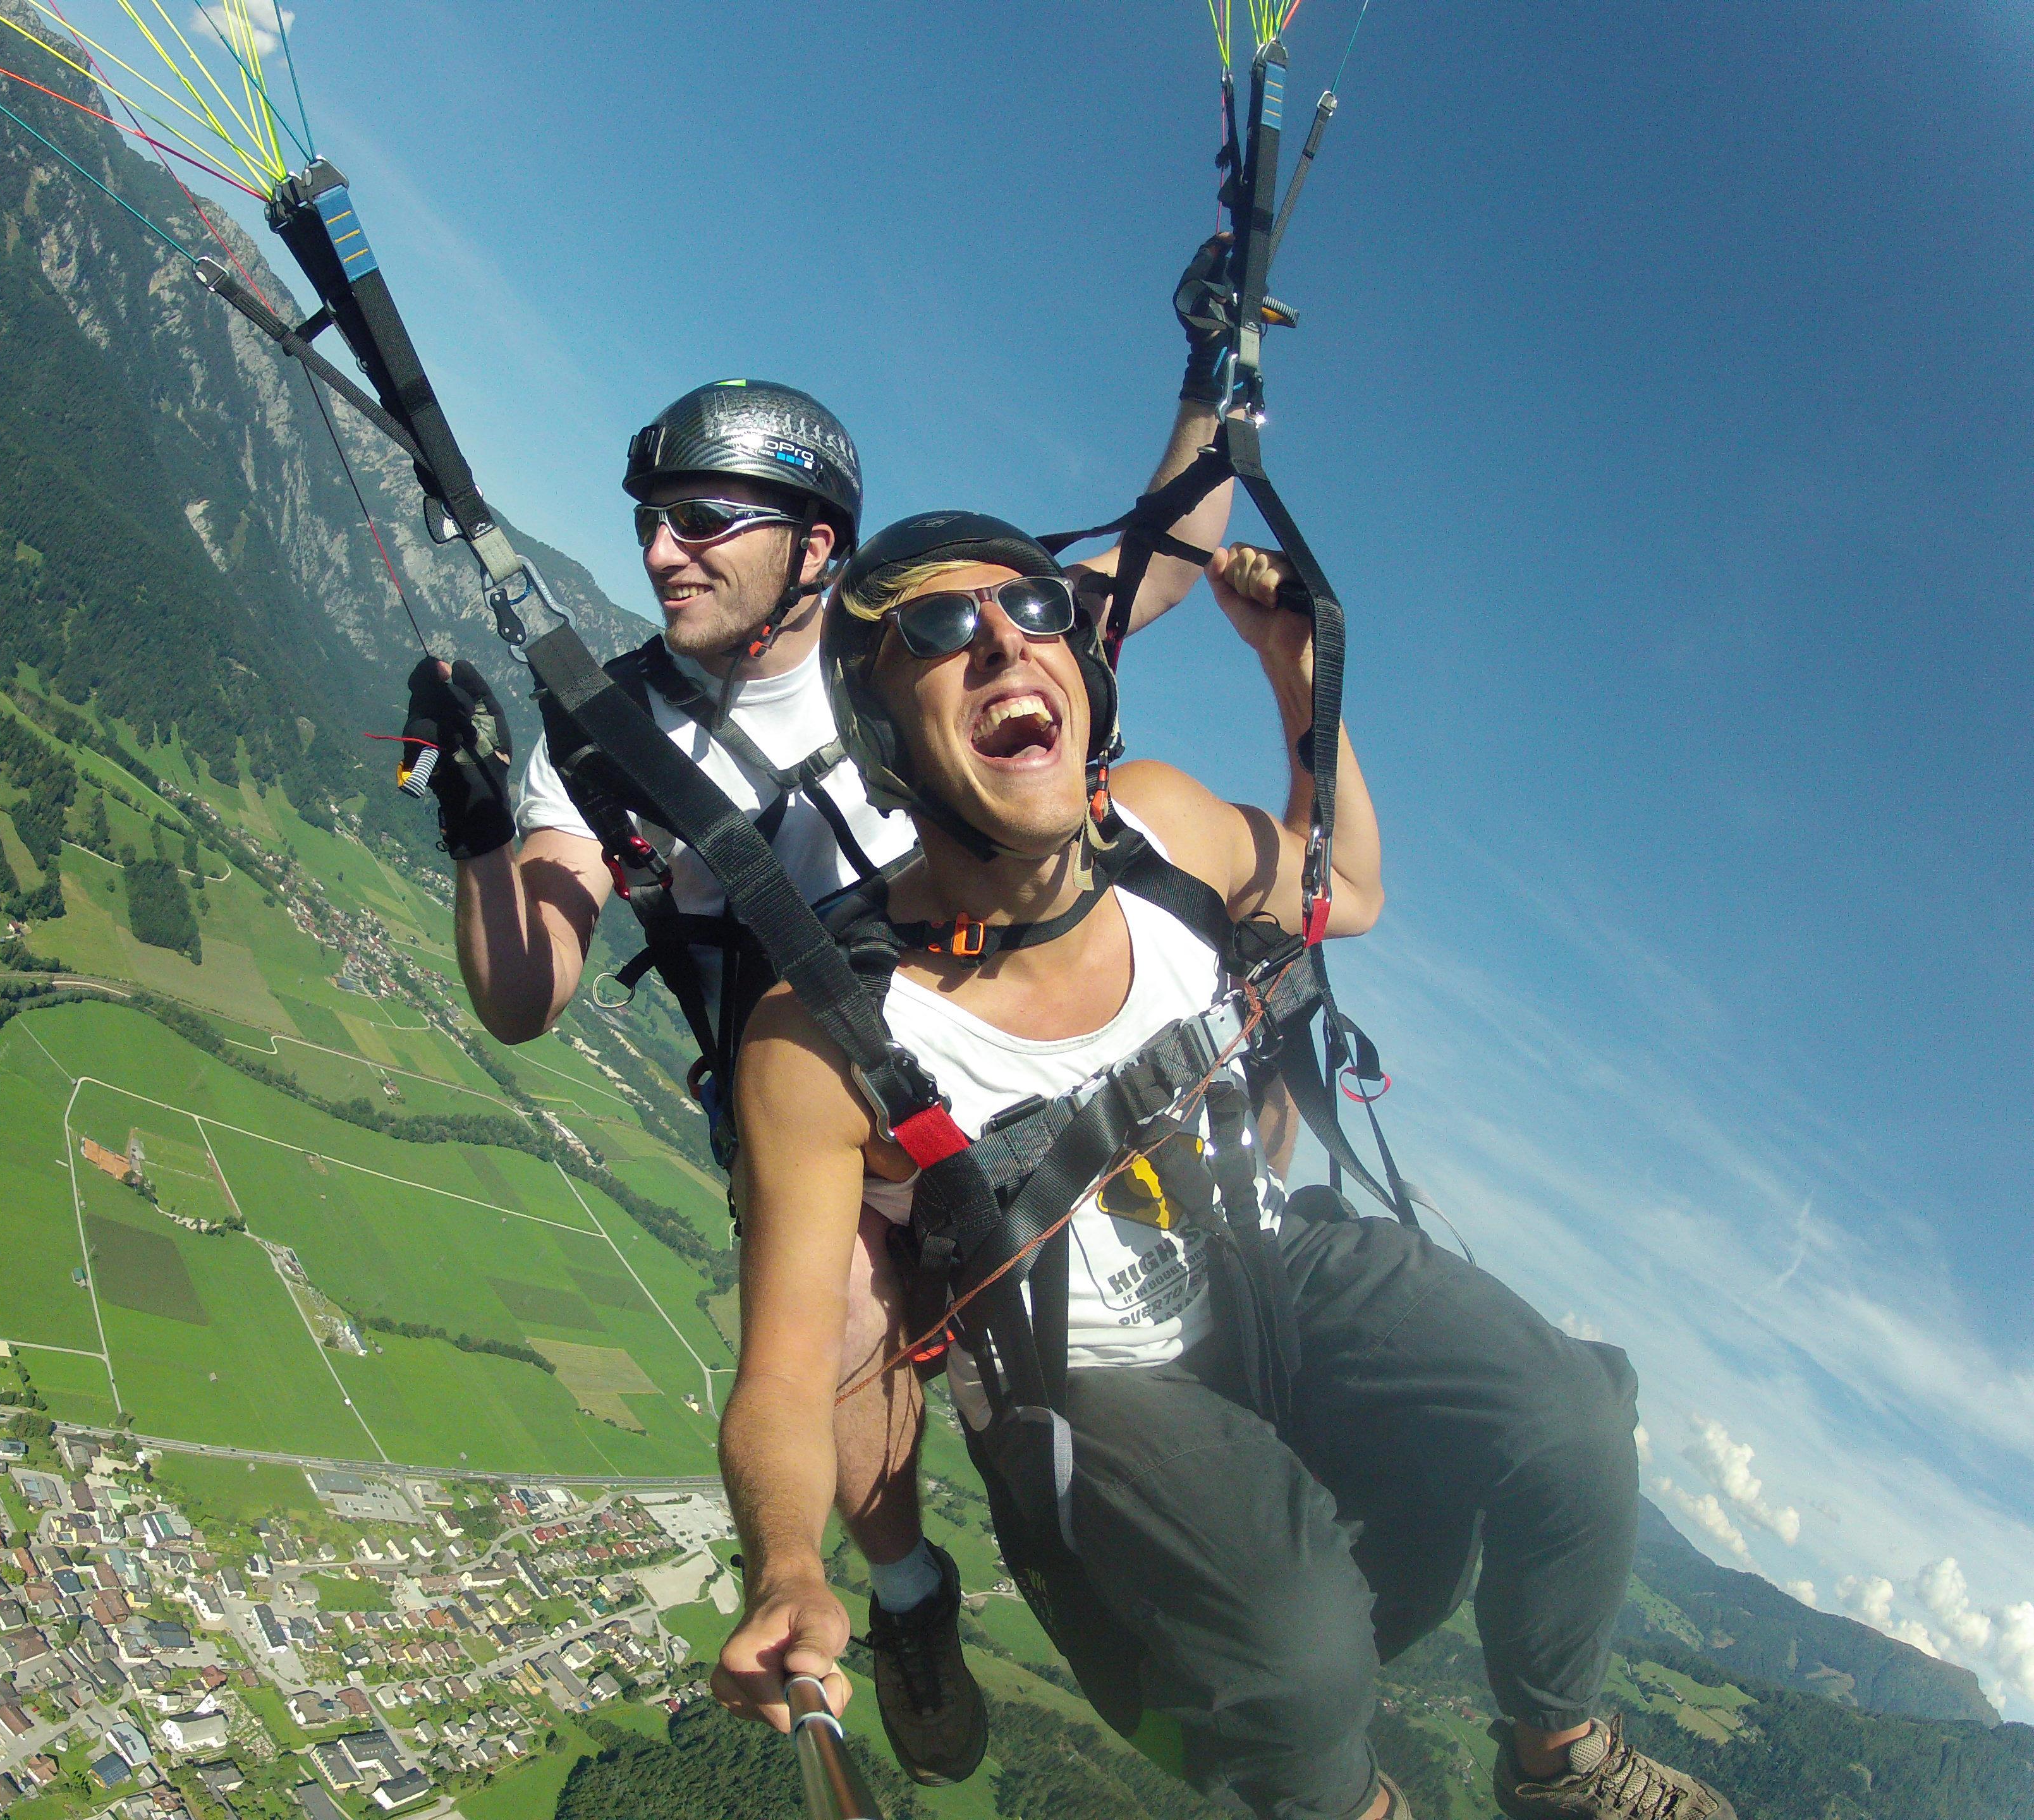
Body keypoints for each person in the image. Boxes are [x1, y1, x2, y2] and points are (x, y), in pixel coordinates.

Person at [708, 510, 1736, 1820]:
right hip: (1097, 1376)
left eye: (1037, 609)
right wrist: (788, 1566)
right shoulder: (833, 1034)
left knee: (1576, 1424)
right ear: (881, 728)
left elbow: (1347, 886)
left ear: (1083, 671)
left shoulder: (1164, 833)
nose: (1007, 645)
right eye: (942, 629)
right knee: (1302, 1661)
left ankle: (1563, 1757)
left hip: (1273, 1261)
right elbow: (788, 1368)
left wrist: (1295, 671)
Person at [403, 277, 1261, 1787]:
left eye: (702, 521)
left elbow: (1164, 556)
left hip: (1003, 1066)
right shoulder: (607, 741)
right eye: (652, 519)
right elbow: (528, 997)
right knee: (847, 1331)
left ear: (815, 548)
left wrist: (1216, 371)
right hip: (823, 1116)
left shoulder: (930, 643)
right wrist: (481, 832)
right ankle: (907, 1592)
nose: (659, 551)